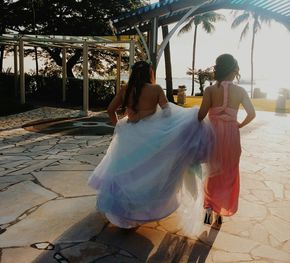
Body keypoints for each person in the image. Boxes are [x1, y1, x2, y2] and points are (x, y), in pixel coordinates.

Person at [88, 61, 214, 229]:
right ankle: (142, 209)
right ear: (149, 73)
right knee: (147, 171)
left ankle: (123, 211)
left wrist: (119, 125)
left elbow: (110, 110)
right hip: (150, 135)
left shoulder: (125, 89)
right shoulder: (155, 89)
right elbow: (168, 112)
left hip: (128, 133)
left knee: (125, 170)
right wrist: (161, 119)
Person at [198, 54, 256, 229]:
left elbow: (200, 115)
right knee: (228, 173)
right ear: (233, 71)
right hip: (231, 135)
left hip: (213, 135)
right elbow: (252, 114)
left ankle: (208, 208)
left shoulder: (209, 90)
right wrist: (238, 125)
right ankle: (220, 212)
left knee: (212, 172)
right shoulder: (240, 91)